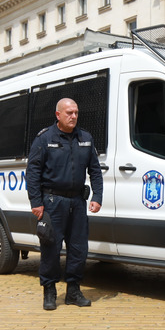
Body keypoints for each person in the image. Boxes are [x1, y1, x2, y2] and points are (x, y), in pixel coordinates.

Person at [26, 98, 104, 310]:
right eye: (69, 112)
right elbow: (32, 171)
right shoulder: (44, 139)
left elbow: (95, 170)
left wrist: (97, 197)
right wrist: (36, 201)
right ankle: (49, 291)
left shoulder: (85, 138)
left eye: (76, 113)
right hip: (52, 202)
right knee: (51, 248)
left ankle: (73, 291)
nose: (74, 116)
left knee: (79, 248)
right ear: (58, 115)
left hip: (78, 201)